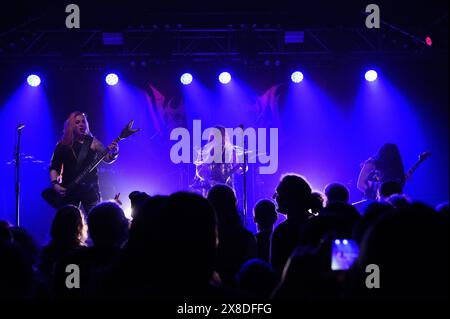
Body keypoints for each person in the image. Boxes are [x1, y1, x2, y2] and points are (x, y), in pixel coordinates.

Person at [46, 111, 119, 213]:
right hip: (70, 188)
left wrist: (114, 153)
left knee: (95, 219)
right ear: (71, 125)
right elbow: (54, 166)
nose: (81, 124)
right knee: (69, 221)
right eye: (77, 122)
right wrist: (55, 185)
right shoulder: (63, 145)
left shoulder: (93, 142)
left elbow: (107, 158)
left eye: (83, 122)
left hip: (90, 189)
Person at [191, 126, 246, 196]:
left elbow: (238, 170)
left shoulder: (231, 151)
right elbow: (199, 171)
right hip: (209, 189)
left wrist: (243, 168)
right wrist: (210, 181)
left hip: (227, 188)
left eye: (222, 136)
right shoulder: (204, 151)